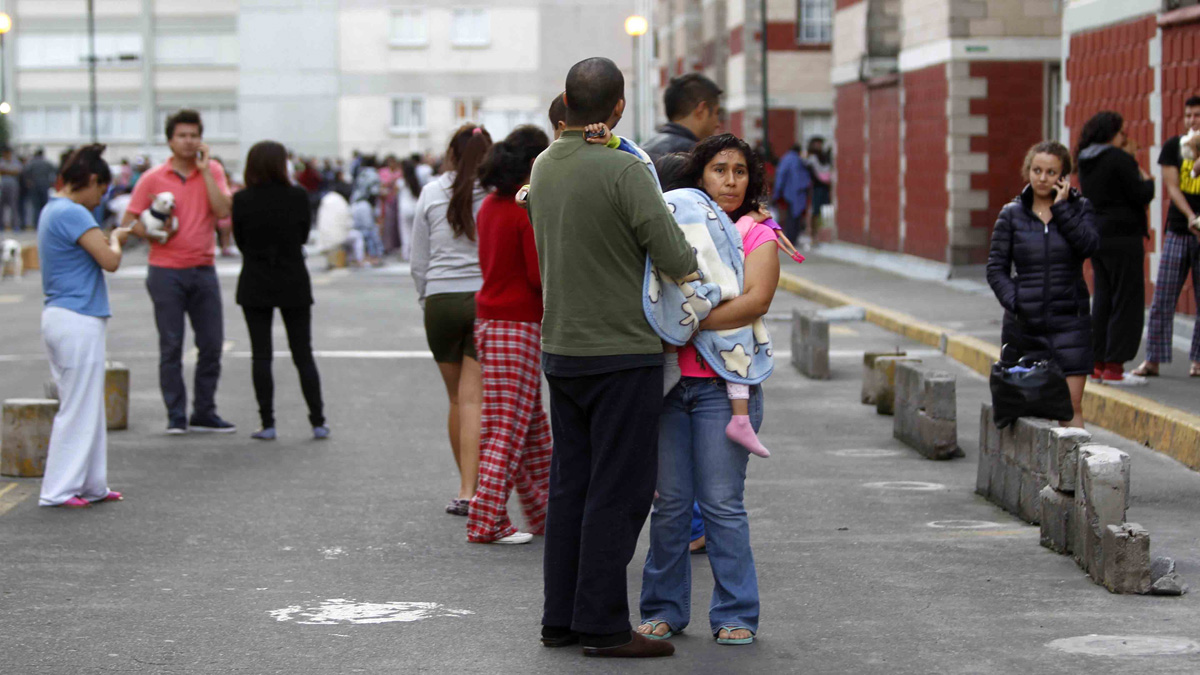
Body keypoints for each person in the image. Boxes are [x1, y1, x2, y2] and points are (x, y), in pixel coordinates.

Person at [529, 57, 697, 659]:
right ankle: (602, 624)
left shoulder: (544, 167)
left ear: (565, 102)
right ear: (618, 108)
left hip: (562, 348)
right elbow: (673, 250)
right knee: (620, 491)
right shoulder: (626, 171)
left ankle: (561, 619)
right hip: (622, 351)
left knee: (571, 485)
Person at [638, 134, 779, 647]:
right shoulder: (677, 223)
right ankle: (663, 609)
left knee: (721, 505)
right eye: (719, 170)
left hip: (725, 390)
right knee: (671, 504)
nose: (730, 181)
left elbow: (755, 300)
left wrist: (684, 323)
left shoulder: (757, 235)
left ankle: (736, 613)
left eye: (740, 171)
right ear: (701, 176)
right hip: (672, 389)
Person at [122, 109, 235, 434]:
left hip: (203, 268)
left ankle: (204, 410)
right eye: (182, 136)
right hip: (165, 270)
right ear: (170, 140)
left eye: (194, 135)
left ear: (202, 139)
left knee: (211, 343)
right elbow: (128, 222)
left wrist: (206, 173)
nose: (189, 142)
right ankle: (176, 414)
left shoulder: (212, 170)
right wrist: (156, 233)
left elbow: (223, 210)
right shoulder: (153, 178)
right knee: (171, 345)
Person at [466, 125, 553, 546]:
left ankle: (544, 512)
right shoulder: (524, 208)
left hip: (491, 321)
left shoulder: (489, 206)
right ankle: (487, 520)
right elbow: (538, 276)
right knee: (509, 426)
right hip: (518, 323)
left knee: (529, 423)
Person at [37, 144, 130, 508]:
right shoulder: (73, 213)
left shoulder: (51, 210)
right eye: (101, 191)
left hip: (63, 317)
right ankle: (58, 490)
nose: (99, 200)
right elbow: (109, 260)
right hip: (78, 318)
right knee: (78, 406)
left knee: (87, 404)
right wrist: (118, 240)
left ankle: (91, 484)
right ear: (91, 180)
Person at [986, 141, 1099, 428]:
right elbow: (996, 269)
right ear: (1028, 171)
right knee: (1019, 408)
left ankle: (1072, 473)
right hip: (1025, 325)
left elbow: (1089, 246)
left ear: (1063, 176)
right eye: (1037, 170)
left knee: (1070, 405)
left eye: (1051, 172)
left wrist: (1062, 209)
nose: (1042, 177)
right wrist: (1017, 301)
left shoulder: (1080, 208)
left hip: (1070, 323)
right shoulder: (1011, 214)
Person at [410, 124, 492, 517]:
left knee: (456, 399)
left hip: (440, 302)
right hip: (482, 300)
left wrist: (426, 297)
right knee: (474, 399)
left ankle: (465, 488)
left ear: (451, 154)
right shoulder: (496, 193)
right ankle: (472, 491)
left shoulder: (430, 192)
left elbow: (417, 261)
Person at [232, 141, 328, 441]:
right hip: (293, 278)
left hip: (255, 278)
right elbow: (302, 234)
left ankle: (268, 423)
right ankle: (317, 420)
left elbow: (240, 241)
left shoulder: (242, 199)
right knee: (303, 353)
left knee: (261, 355)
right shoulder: (298, 196)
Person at [1076, 111, 1155, 386]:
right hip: (1124, 237)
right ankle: (1115, 368)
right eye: (1122, 133)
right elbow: (1142, 192)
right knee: (1127, 299)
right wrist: (1142, 172)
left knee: (1103, 298)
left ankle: (1097, 363)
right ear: (1112, 134)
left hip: (1098, 236)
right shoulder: (1118, 159)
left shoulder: (1085, 160)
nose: (1126, 138)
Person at [1134, 96, 1200, 379]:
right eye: (1188, 116)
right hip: (1178, 228)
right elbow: (1172, 187)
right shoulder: (1174, 146)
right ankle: (1153, 360)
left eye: (1197, 115)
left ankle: (1198, 361)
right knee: (1163, 296)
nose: (1191, 120)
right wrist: (1190, 217)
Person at [642, 73, 723, 163]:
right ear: (701, 110)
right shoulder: (693, 155)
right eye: (717, 113)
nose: (718, 124)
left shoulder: (641, 150)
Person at [774, 143, 814, 246]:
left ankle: (790, 239)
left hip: (789, 192)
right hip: (797, 193)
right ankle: (792, 239)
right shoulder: (797, 160)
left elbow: (781, 176)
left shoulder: (786, 159)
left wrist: (777, 192)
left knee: (790, 217)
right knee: (794, 217)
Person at [23, 148, 57, 228]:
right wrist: (51, 181)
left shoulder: (32, 163)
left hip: (34, 185)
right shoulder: (46, 162)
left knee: (36, 206)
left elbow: (25, 172)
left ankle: (36, 224)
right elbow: (55, 170)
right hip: (45, 185)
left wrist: (28, 181)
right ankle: (44, 223)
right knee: (44, 206)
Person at [350, 186, 385, 266]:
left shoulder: (354, 205)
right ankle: (374, 256)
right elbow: (369, 224)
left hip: (357, 229)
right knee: (373, 234)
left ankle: (371, 256)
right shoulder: (365, 205)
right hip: (364, 229)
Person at [397, 159, 422, 261]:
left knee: (405, 232)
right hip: (415, 207)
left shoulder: (400, 182)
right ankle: (416, 253)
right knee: (415, 232)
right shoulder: (416, 181)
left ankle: (406, 254)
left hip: (404, 209)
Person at [0, 147, 23, 231]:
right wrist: (10, 171)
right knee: (1, 206)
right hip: (2, 185)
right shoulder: (1, 160)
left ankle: (15, 225)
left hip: (13, 185)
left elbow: (18, 171)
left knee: (14, 205)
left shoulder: (15, 161)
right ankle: (1, 225)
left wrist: (5, 171)